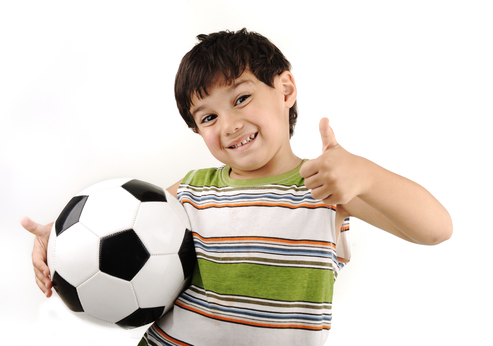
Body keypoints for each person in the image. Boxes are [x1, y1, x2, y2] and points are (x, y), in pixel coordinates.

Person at [22, 28, 453, 345]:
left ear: (285, 88)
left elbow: (436, 229)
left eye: (241, 98)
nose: (228, 125)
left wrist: (366, 175)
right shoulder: (190, 192)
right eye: (208, 117)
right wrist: (57, 239)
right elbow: (107, 221)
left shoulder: (325, 188)